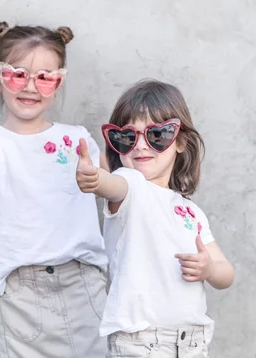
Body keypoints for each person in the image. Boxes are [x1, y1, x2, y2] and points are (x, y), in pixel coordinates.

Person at [0, 20, 107, 358]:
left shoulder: (78, 139)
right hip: (20, 288)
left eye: (44, 77)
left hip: (82, 279)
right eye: (17, 74)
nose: (30, 87)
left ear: (58, 83)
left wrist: (97, 178)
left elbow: (111, 186)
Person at [76, 79, 235, 357]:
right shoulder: (131, 186)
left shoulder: (191, 212)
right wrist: (94, 179)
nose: (140, 146)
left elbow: (226, 273)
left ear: (181, 142)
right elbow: (111, 185)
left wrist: (209, 269)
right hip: (142, 342)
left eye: (157, 136)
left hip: (192, 341)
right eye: (127, 137)